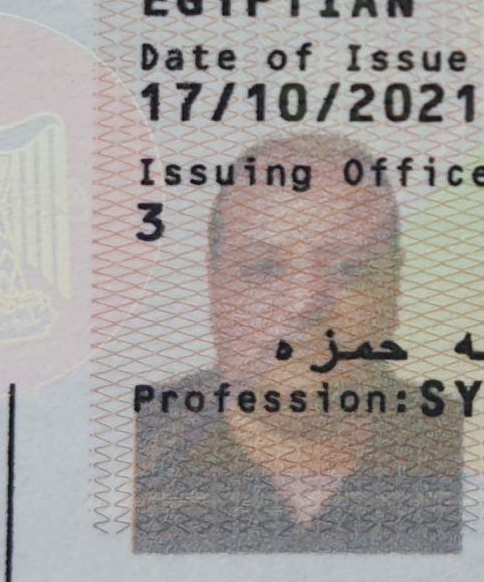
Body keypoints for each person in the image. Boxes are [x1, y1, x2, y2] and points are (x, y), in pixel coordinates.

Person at [135, 136, 462, 552]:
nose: (304, 303)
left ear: (393, 287)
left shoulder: (465, 444)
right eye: (263, 268)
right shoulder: (130, 445)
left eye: (349, 269)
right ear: (214, 284)